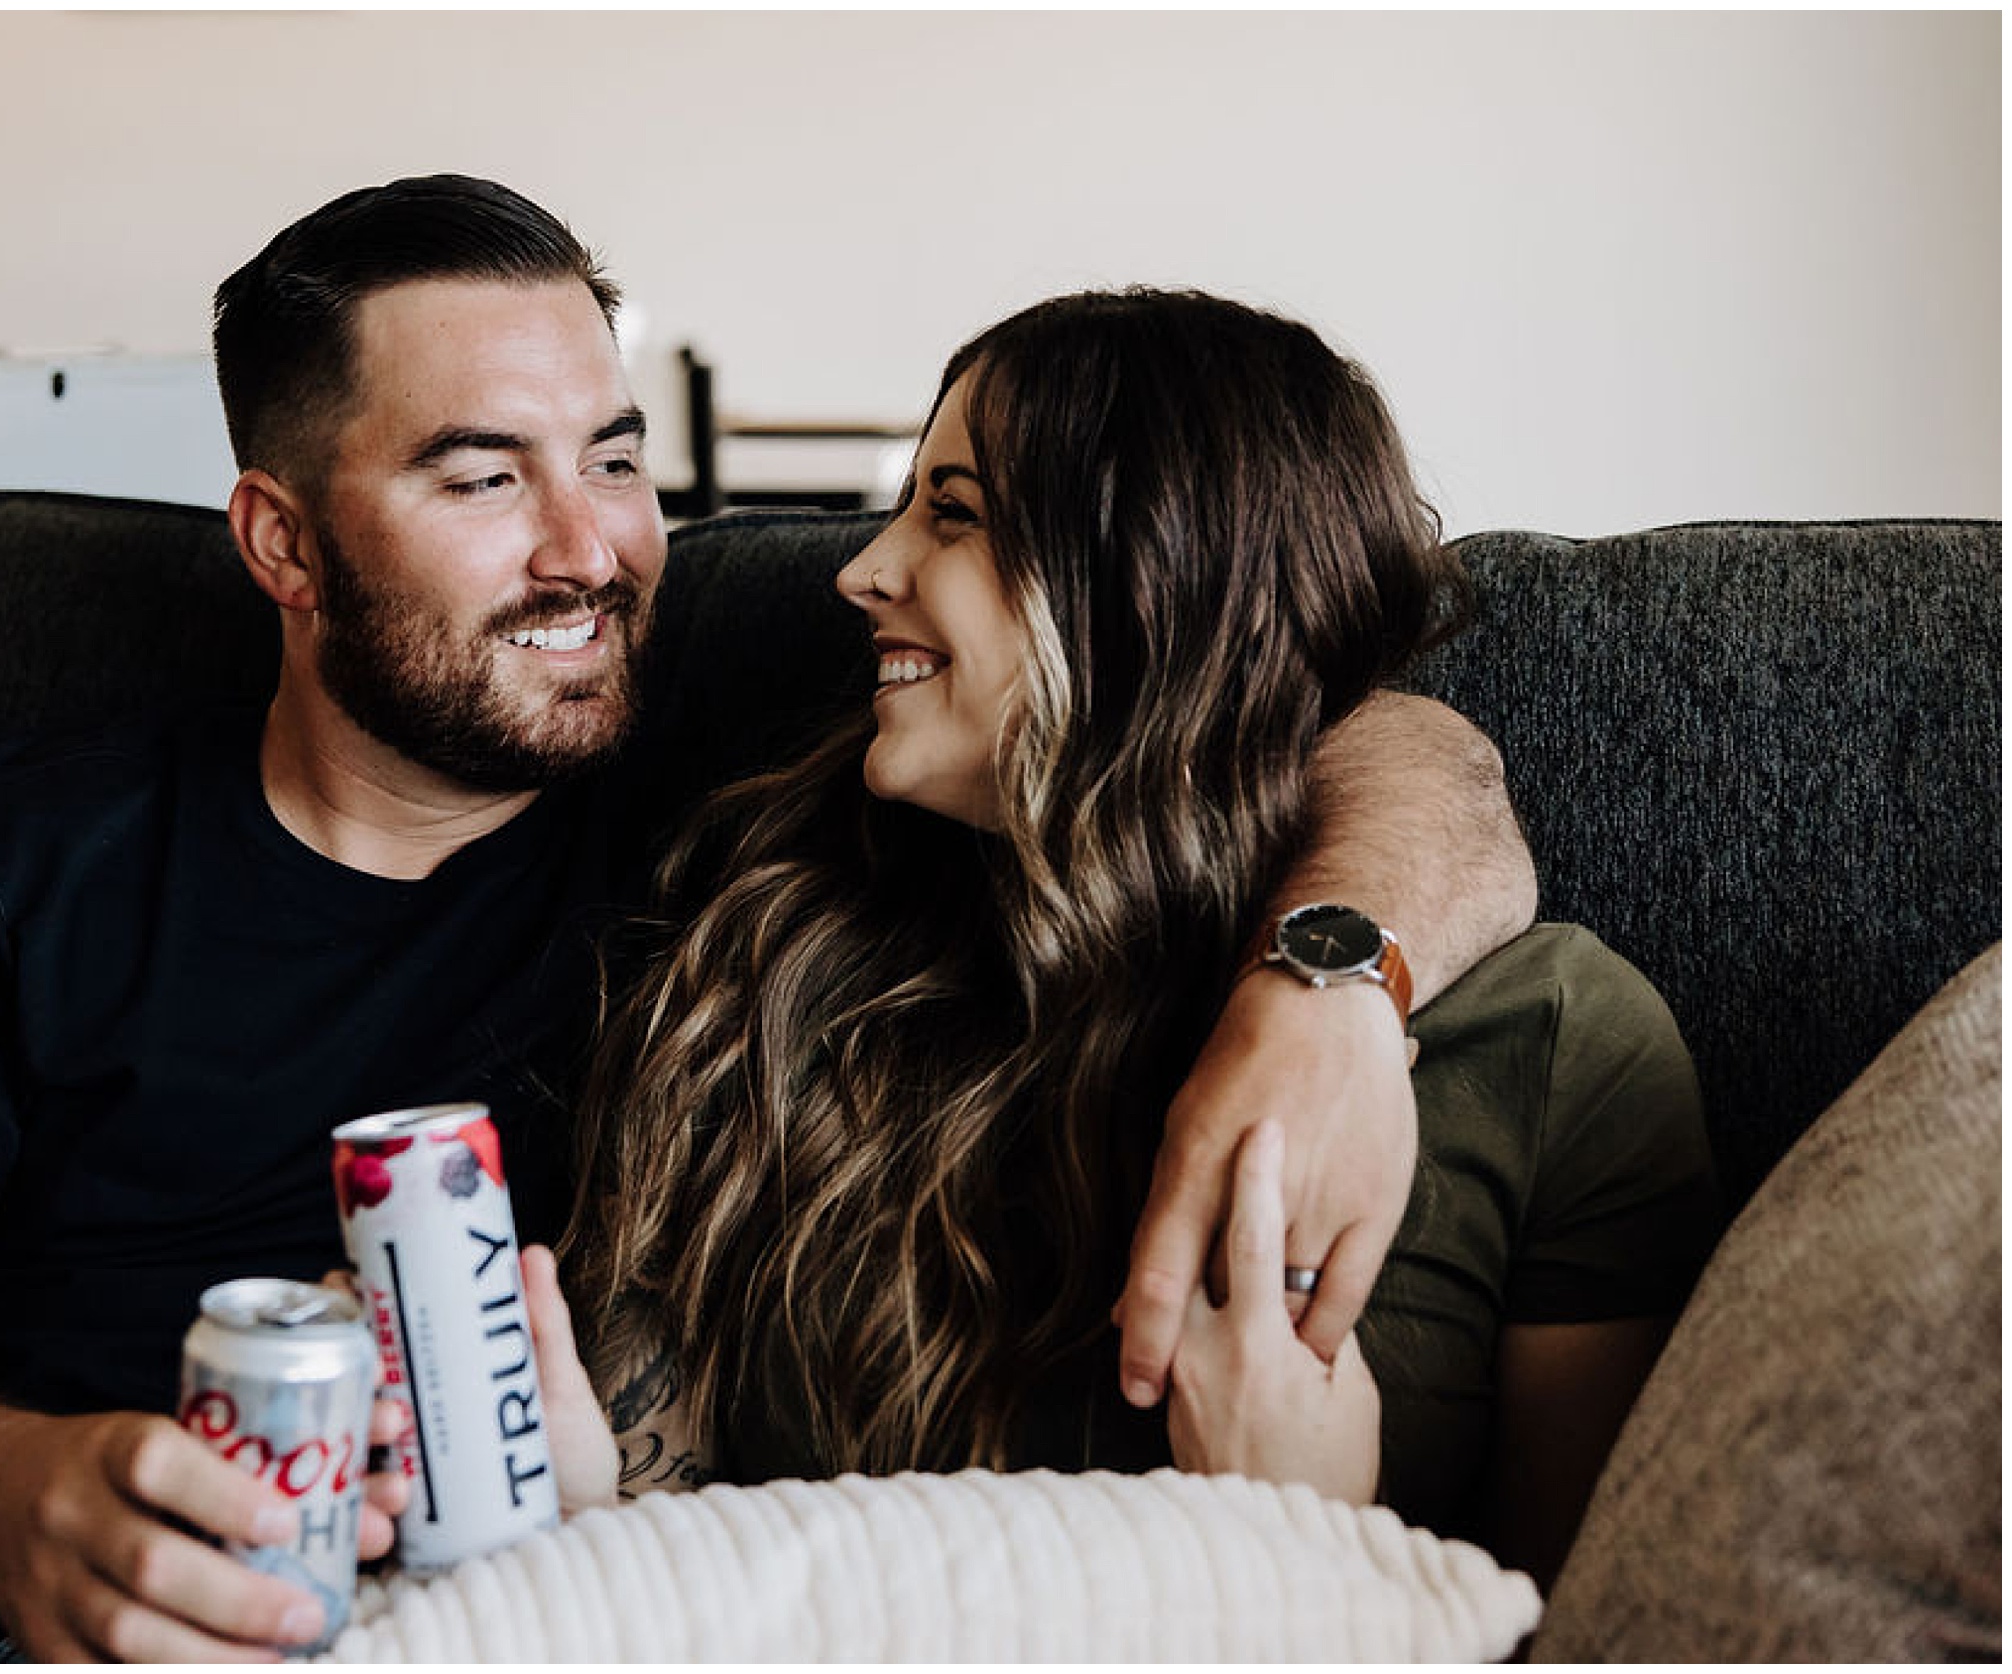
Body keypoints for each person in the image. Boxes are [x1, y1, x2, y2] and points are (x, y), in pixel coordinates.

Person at [0, 180, 1532, 1662]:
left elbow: (1316, 699)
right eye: (484, 473)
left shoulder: (760, 802)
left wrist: (1334, 977)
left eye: (614, 455)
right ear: (280, 540)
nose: (590, 547)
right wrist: (11, 1497)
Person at [554, 287, 1719, 1586]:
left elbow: (1605, 1622)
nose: (862, 570)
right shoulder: (764, 956)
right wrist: (571, 1496)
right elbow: (637, 1521)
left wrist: (1315, 1536)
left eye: (954, 514)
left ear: (1155, 585)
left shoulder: (1555, 1045)